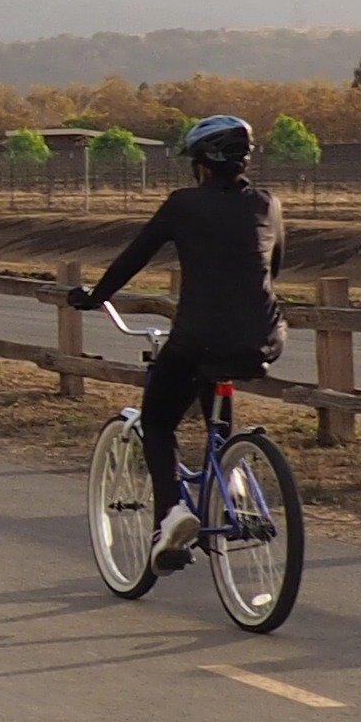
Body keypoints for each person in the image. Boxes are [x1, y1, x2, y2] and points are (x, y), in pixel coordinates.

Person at [69, 116, 285, 562]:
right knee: (217, 388)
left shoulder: (183, 206)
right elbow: (272, 268)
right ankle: (232, 479)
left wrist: (96, 296)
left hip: (199, 336)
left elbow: (134, 256)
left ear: (201, 164)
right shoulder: (268, 204)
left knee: (159, 420)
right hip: (262, 336)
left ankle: (171, 515)